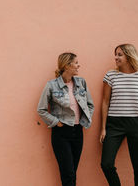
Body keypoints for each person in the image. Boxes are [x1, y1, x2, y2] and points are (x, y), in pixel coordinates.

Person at [37, 52, 94, 186]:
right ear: (67, 65)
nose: (79, 65)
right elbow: (41, 109)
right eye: (76, 63)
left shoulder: (81, 83)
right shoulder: (51, 85)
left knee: (73, 172)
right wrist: (57, 122)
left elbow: (90, 105)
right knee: (68, 173)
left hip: (78, 131)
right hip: (61, 133)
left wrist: (85, 120)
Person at [100, 44, 138, 186]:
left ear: (129, 56)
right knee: (106, 164)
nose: (116, 57)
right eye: (115, 54)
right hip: (114, 124)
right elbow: (105, 102)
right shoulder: (111, 75)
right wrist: (103, 128)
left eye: (119, 54)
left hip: (137, 124)